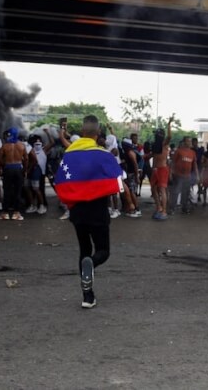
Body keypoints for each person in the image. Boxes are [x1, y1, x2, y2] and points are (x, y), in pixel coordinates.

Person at [54, 115, 123, 309]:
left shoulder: (69, 154)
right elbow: (118, 183)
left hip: (78, 212)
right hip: (98, 210)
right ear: (98, 133)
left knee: (84, 250)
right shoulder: (104, 155)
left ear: (82, 132)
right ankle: (92, 263)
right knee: (102, 251)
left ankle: (88, 296)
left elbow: (60, 181)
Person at [0, 127, 27, 221]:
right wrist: (25, 170)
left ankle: (5, 213)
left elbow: (0, 159)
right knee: (18, 191)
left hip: (8, 168)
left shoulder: (5, 146)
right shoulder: (22, 145)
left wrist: (5, 166)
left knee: (7, 191)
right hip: (18, 168)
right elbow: (26, 159)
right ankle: (16, 213)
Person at [150, 118, 173, 220]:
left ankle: (164, 210)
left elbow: (169, 136)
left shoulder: (164, 144)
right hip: (155, 170)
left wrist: (168, 124)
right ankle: (159, 207)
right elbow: (154, 156)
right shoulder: (155, 145)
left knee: (162, 189)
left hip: (162, 169)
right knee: (153, 189)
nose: (156, 135)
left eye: (157, 134)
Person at [170, 136, 198, 215]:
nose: (189, 143)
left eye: (190, 141)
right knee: (176, 192)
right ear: (184, 142)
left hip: (187, 176)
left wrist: (197, 174)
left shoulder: (192, 152)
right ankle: (172, 208)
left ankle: (184, 208)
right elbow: (173, 162)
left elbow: (194, 164)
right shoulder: (179, 151)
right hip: (178, 176)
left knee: (186, 193)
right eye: (188, 141)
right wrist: (171, 173)